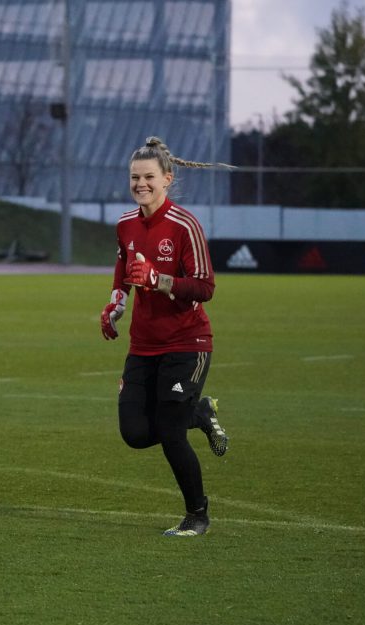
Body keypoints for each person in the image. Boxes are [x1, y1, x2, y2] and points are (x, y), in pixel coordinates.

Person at [99, 136, 230, 538]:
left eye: (148, 177)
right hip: (143, 345)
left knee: (170, 433)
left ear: (167, 179)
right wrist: (115, 305)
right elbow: (124, 271)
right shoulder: (125, 224)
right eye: (135, 177)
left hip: (187, 344)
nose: (140, 184)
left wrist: (161, 280)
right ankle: (199, 412)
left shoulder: (185, 225)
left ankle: (197, 515)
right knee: (135, 433)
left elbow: (205, 287)